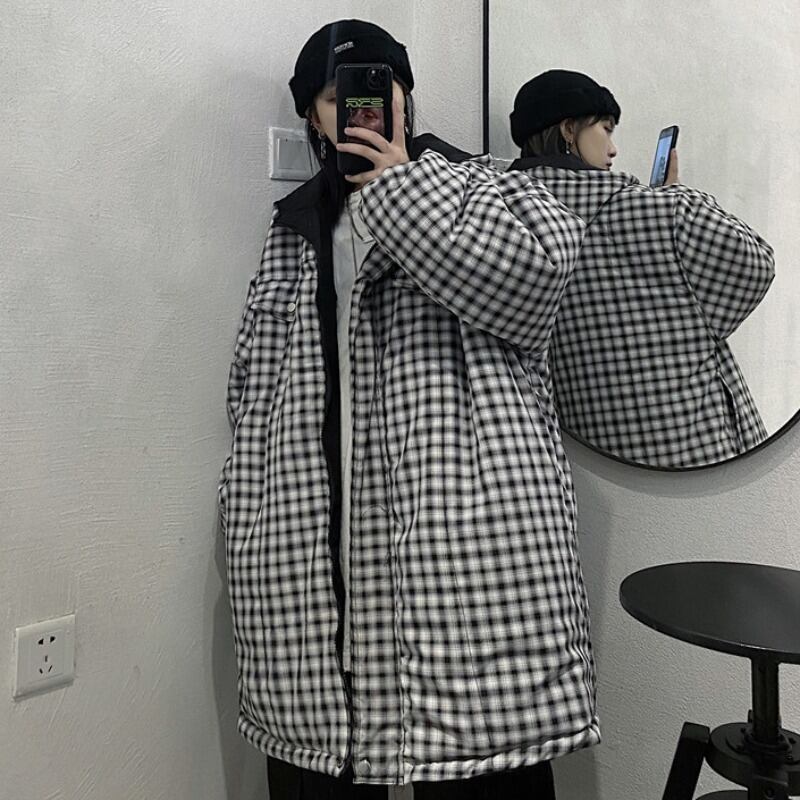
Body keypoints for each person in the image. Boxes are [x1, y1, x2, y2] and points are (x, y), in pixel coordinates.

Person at [219, 22, 600, 799]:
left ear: (406, 96)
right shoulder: (294, 228)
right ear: (313, 116)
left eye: (380, 85)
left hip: (466, 563)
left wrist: (399, 190)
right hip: (311, 559)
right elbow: (251, 383)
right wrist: (246, 502)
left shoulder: (490, 186)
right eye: (338, 96)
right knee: (314, 768)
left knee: (483, 770)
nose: (364, 106)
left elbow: (537, 283)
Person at [508, 70, 775, 468]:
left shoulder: (505, 222)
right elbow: (756, 264)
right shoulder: (661, 212)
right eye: (605, 129)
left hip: (598, 465)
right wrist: (673, 196)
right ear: (568, 129)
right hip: (702, 457)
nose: (613, 149)